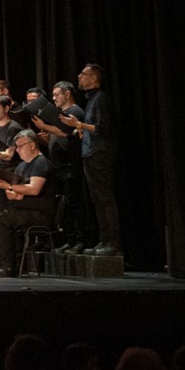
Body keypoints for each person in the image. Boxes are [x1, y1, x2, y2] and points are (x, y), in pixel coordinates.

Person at [59, 64, 120, 256]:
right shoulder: (91, 100)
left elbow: (103, 127)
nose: (79, 76)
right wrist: (79, 130)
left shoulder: (101, 98)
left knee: (105, 199)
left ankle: (114, 243)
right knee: (97, 200)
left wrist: (78, 124)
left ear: (94, 78)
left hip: (99, 153)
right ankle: (105, 240)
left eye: (84, 74)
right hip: (90, 153)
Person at [0, 129, 58, 276]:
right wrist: (13, 191)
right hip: (20, 210)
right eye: (16, 146)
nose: (18, 150)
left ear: (32, 145)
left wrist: (11, 188)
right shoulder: (21, 166)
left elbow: (34, 189)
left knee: (3, 222)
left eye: (21, 146)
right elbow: (13, 196)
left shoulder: (41, 163)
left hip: (39, 213)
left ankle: (9, 266)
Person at [33, 81, 89, 254]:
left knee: (74, 204)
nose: (54, 97)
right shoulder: (63, 113)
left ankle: (79, 241)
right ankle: (70, 240)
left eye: (57, 94)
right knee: (65, 206)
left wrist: (44, 126)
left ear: (68, 94)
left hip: (71, 165)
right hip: (60, 167)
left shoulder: (75, 112)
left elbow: (66, 133)